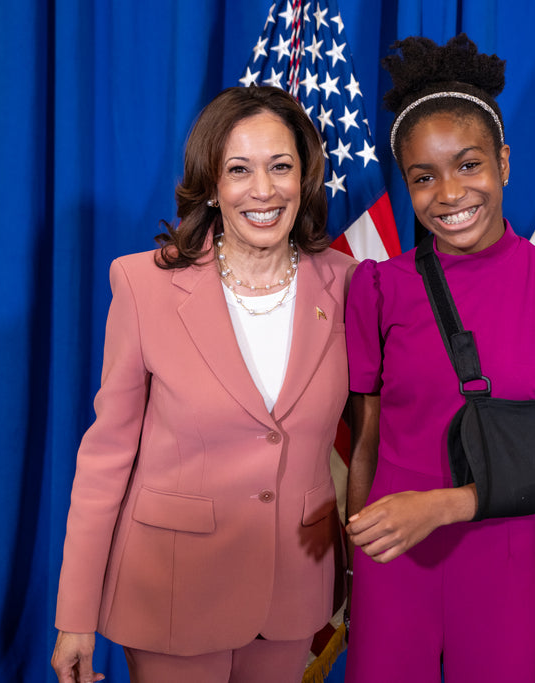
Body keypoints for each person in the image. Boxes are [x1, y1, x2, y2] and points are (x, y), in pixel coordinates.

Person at [51, 86, 356, 683]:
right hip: (171, 590)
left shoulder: (350, 284)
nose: (263, 190)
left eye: (281, 167)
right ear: (212, 185)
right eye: (238, 170)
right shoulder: (144, 284)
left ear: (306, 177)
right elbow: (107, 456)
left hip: (292, 589)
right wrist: (75, 614)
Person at [343, 35, 535, 682]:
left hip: (501, 559)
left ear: (504, 162)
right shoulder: (377, 287)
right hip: (391, 556)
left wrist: (441, 505)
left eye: (468, 165)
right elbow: (367, 438)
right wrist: (353, 559)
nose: (449, 193)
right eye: (423, 178)